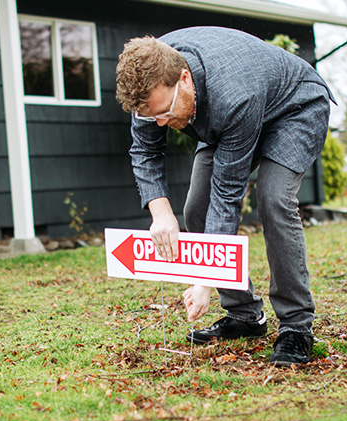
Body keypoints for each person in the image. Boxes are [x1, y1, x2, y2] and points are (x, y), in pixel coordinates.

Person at [115, 26, 334, 366]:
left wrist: (203, 278)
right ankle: (245, 315)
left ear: (184, 78)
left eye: (165, 112)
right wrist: (161, 213)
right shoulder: (150, 88)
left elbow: (228, 193)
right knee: (196, 209)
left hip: (293, 109)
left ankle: (296, 326)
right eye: (150, 115)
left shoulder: (234, 93)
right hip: (226, 119)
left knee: (274, 199)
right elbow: (144, 151)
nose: (159, 123)